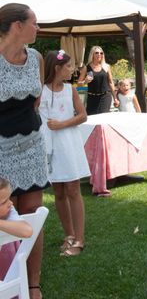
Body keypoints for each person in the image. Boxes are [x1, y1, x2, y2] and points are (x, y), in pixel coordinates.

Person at [0, 3, 46, 298]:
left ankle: (32, 284)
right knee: (4, 213)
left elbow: (36, 101)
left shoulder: (38, 58)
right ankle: (6, 282)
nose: (37, 28)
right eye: (34, 23)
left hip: (31, 145)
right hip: (0, 147)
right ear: (17, 26)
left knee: (32, 212)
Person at [39, 50, 89, 257]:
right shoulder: (40, 91)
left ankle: (80, 238)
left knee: (73, 189)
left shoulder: (70, 90)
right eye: (68, 66)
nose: (72, 69)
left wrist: (62, 124)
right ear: (57, 68)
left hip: (68, 145)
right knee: (58, 191)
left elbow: (83, 116)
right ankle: (68, 234)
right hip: (49, 146)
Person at [0, 176, 34, 280]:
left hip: (8, 278)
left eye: (9, 198)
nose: (11, 203)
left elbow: (27, 231)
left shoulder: (9, 212)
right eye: (4, 202)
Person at [78, 45, 119, 114]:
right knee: (92, 119)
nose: (99, 54)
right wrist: (85, 81)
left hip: (105, 96)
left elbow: (111, 82)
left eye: (101, 53)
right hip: (92, 97)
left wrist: (115, 98)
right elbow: (79, 84)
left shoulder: (106, 66)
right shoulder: (86, 68)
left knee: (103, 120)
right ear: (92, 54)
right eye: (97, 53)